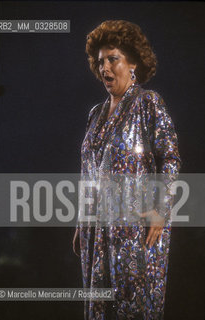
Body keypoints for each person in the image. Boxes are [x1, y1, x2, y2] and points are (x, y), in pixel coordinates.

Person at [73, 20, 181, 320]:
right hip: (97, 232)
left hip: (137, 230)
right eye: (100, 62)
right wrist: (83, 221)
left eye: (113, 59)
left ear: (133, 61)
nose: (105, 68)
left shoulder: (149, 103)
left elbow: (170, 158)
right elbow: (89, 171)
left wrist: (161, 207)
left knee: (133, 306)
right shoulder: (95, 114)